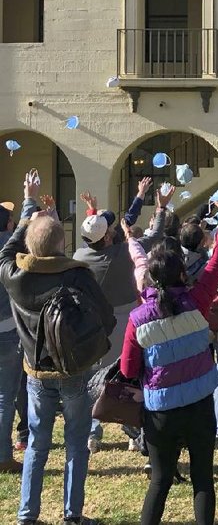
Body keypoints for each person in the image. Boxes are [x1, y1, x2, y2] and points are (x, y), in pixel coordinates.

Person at [2, 170, 116, 525]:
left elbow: (7, 249)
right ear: (62, 245)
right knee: (75, 441)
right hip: (73, 369)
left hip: (36, 372)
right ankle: (72, 514)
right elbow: (106, 314)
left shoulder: (15, 277)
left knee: (37, 443)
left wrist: (29, 206)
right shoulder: (77, 275)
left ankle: (27, 515)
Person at [120, 195, 218, 525]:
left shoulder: (138, 318)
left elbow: (129, 369)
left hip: (160, 411)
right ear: (182, 274)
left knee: (160, 481)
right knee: (203, 480)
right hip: (200, 404)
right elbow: (216, 263)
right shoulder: (197, 300)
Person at [74, 178, 165, 453]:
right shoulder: (123, 252)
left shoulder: (79, 255)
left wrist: (93, 213)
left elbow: (97, 237)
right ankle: (133, 431)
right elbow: (153, 238)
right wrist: (161, 209)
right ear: (110, 236)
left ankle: (94, 432)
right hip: (125, 321)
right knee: (129, 375)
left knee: (92, 378)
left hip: (93, 324)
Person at [0, 199, 23, 474]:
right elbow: (20, 232)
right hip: (7, 330)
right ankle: (3, 456)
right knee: (5, 397)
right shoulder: (10, 247)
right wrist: (28, 200)